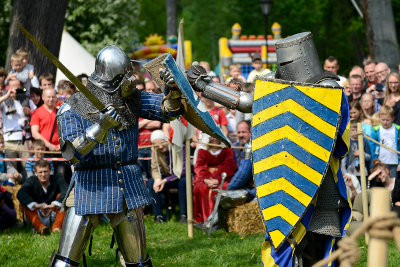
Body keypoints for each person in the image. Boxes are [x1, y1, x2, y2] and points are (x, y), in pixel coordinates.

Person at [49, 45, 184, 266]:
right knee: (65, 262)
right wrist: (100, 127)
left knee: (138, 262)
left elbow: (166, 110)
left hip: (126, 184)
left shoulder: (131, 99)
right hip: (90, 184)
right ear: (114, 78)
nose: (131, 79)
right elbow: (71, 154)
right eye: (125, 75)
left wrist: (173, 89)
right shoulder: (72, 107)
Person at [193, 137, 236, 224]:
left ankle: (220, 219)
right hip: (205, 179)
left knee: (224, 187)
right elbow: (199, 166)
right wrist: (206, 179)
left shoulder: (227, 151)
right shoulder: (202, 151)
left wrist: (218, 180)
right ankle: (204, 219)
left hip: (222, 178)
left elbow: (229, 166)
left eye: (217, 137)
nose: (215, 139)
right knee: (200, 188)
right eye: (212, 137)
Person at [17, 159, 67, 234]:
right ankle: (41, 228)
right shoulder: (31, 180)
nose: (43, 175)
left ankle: (57, 227)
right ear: (35, 173)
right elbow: (20, 194)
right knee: (27, 202)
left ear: (50, 171)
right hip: (37, 213)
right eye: (40, 172)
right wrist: (36, 205)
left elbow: (66, 191)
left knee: (63, 199)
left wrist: (53, 205)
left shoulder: (58, 178)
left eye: (45, 171)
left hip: (54, 213)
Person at [147, 130, 187, 223]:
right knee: (151, 182)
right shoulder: (155, 150)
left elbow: (182, 170)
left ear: (167, 140)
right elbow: (154, 168)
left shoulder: (179, 148)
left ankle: (183, 215)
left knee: (184, 182)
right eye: (157, 146)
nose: (160, 147)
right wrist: (157, 179)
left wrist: (164, 180)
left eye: (162, 143)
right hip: (166, 178)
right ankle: (159, 216)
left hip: (179, 177)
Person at [0, 79, 36, 177]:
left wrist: (30, 112)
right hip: (9, 141)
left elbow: (38, 115)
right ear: (8, 88)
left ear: (21, 87)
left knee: (28, 169)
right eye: (12, 87)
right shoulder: (4, 100)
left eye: (17, 86)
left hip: (25, 140)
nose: (15, 89)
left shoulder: (27, 100)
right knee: (12, 172)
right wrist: (7, 95)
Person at [370, 105, 400, 179]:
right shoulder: (376, 131)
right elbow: (372, 147)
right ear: (379, 118)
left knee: (394, 183)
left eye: (387, 120)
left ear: (393, 118)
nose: (385, 122)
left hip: (394, 162)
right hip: (381, 162)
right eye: (383, 120)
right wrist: (374, 161)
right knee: (381, 183)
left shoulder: (397, 130)